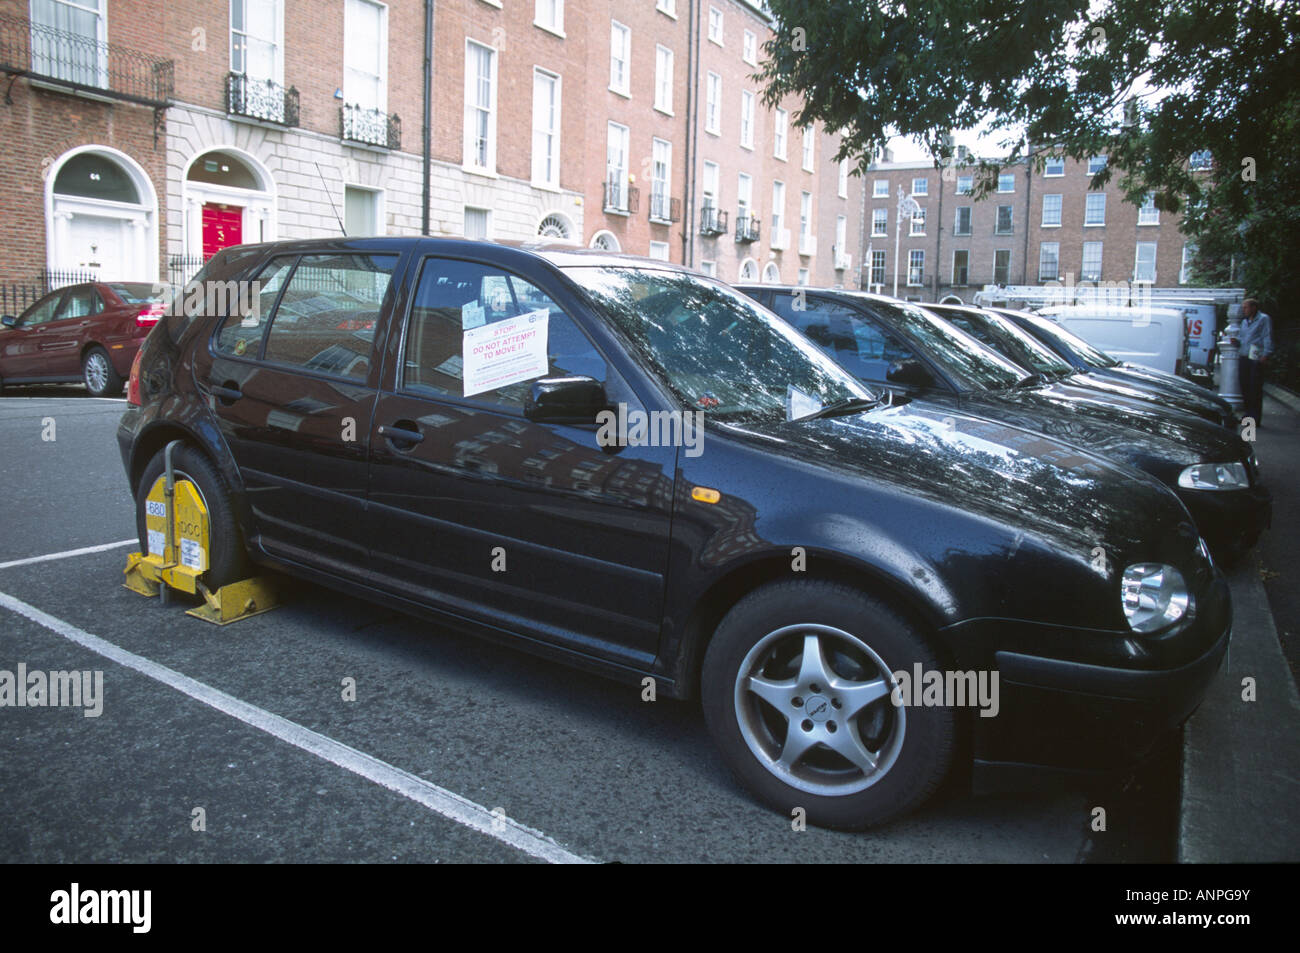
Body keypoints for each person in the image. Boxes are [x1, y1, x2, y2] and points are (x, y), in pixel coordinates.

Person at [1237, 297, 1273, 427]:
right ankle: (1248, 414)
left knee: (1255, 387)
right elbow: (1241, 337)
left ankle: (1255, 418)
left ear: (1254, 308)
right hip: (1244, 354)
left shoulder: (1263, 319)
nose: (1244, 310)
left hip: (1255, 355)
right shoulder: (1244, 322)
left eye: (1246, 307)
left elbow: (1266, 336)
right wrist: (1236, 342)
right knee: (1244, 385)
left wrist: (1266, 354)